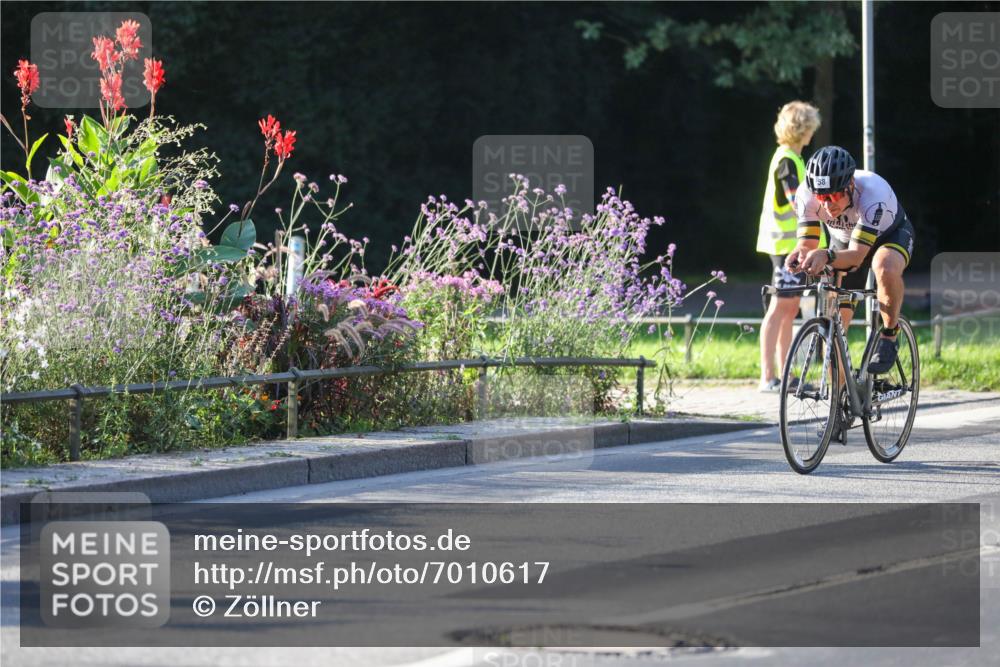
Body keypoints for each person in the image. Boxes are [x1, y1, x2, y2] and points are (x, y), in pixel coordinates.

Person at [785, 145, 915, 374]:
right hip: (843, 240)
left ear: (850, 185)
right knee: (836, 327)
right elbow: (807, 243)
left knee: (882, 267)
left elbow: (856, 258)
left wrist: (825, 255)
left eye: (834, 196)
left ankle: (889, 334)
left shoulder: (873, 193)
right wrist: (800, 254)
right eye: (821, 197)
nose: (827, 204)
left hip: (888, 235)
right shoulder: (805, 193)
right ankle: (843, 398)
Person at [756, 101, 823, 392]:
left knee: (789, 308)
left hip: (790, 245)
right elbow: (797, 202)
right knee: (779, 308)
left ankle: (784, 375)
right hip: (785, 247)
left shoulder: (791, 158)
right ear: (803, 128)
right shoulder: (787, 160)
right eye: (811, 127)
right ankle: (768, 376)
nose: (813, 132)